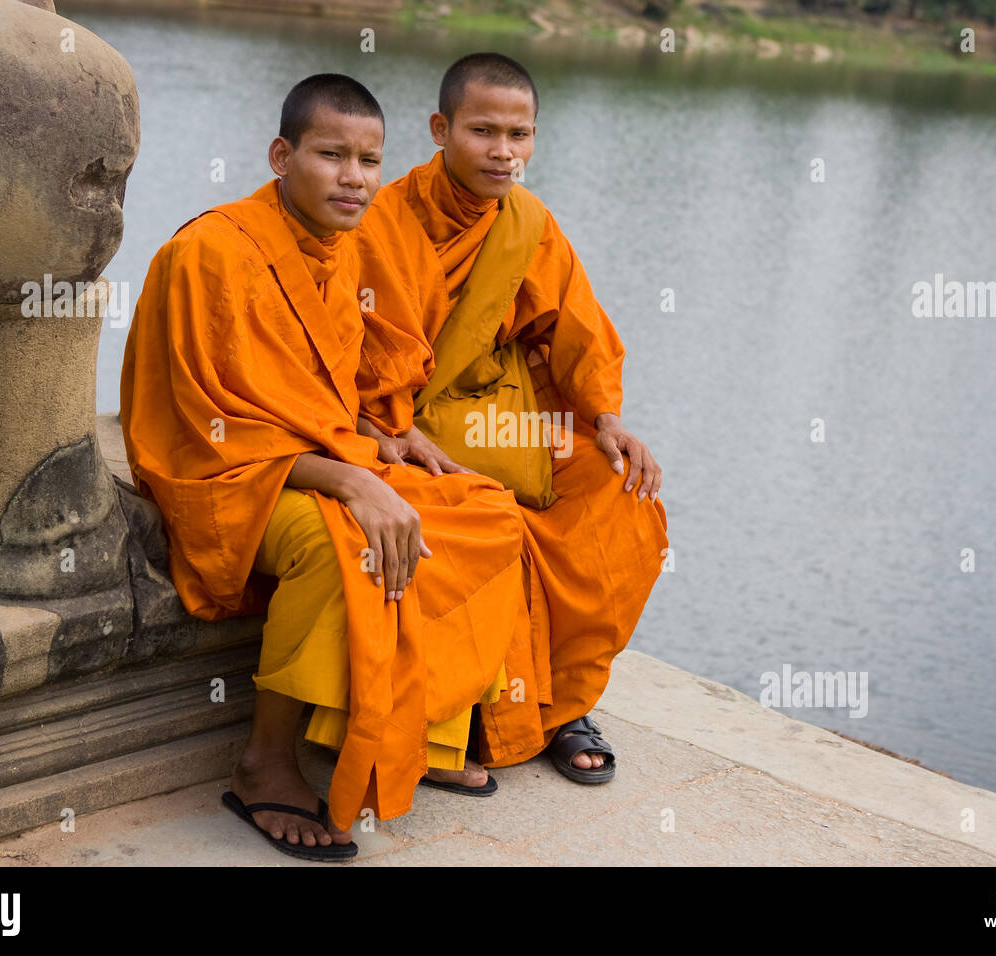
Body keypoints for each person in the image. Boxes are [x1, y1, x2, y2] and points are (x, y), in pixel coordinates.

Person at [119, 74, 528, 862]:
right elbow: (206, 427)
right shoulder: (210, 253)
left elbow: (326, 391)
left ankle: (410, 727)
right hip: (222, 477)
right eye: (331, 154)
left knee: (485, 509)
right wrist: (349, 478)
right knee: (338, 541)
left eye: (370, 160)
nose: (354, 178)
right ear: (282, 154)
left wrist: (384, 436)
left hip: (316, 455)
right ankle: (264, 760)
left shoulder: (340, 253)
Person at [352, 53, 669, 785]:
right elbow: (353, 353)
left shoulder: (528, 223)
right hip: (405, 423)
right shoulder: (382, 220)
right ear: (440, 129)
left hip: (503, 417)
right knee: (486, 514)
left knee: (615, 489)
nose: (503, 151)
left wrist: (607, 418)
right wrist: (389, 424)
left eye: (519, 134)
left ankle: (561, 702)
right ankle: (477, 713)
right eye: (483, 131)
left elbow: (577, 330)